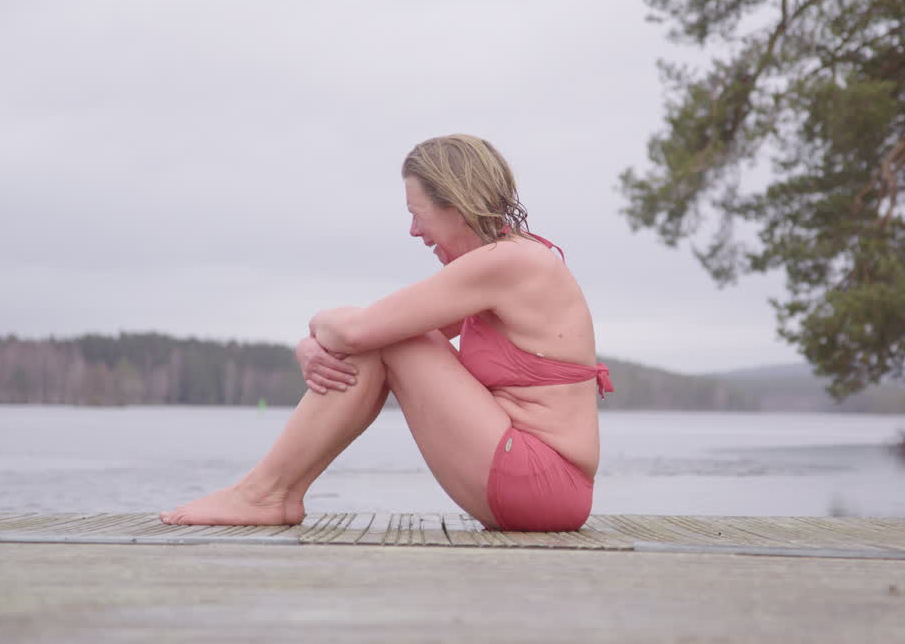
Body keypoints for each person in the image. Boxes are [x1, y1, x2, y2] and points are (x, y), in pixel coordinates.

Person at [160, 134, 613, 532]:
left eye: (419, 214)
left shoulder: (509, 262)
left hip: (540, 481)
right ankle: (270, 493)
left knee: (393, 339)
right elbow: (369, 333)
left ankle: (265, 493)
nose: (414, 231)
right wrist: (313, 345)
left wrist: (316, 327)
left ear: (456, 207)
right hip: (538, 485)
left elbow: (362, 332)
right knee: (388, 337)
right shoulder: (512, 262)